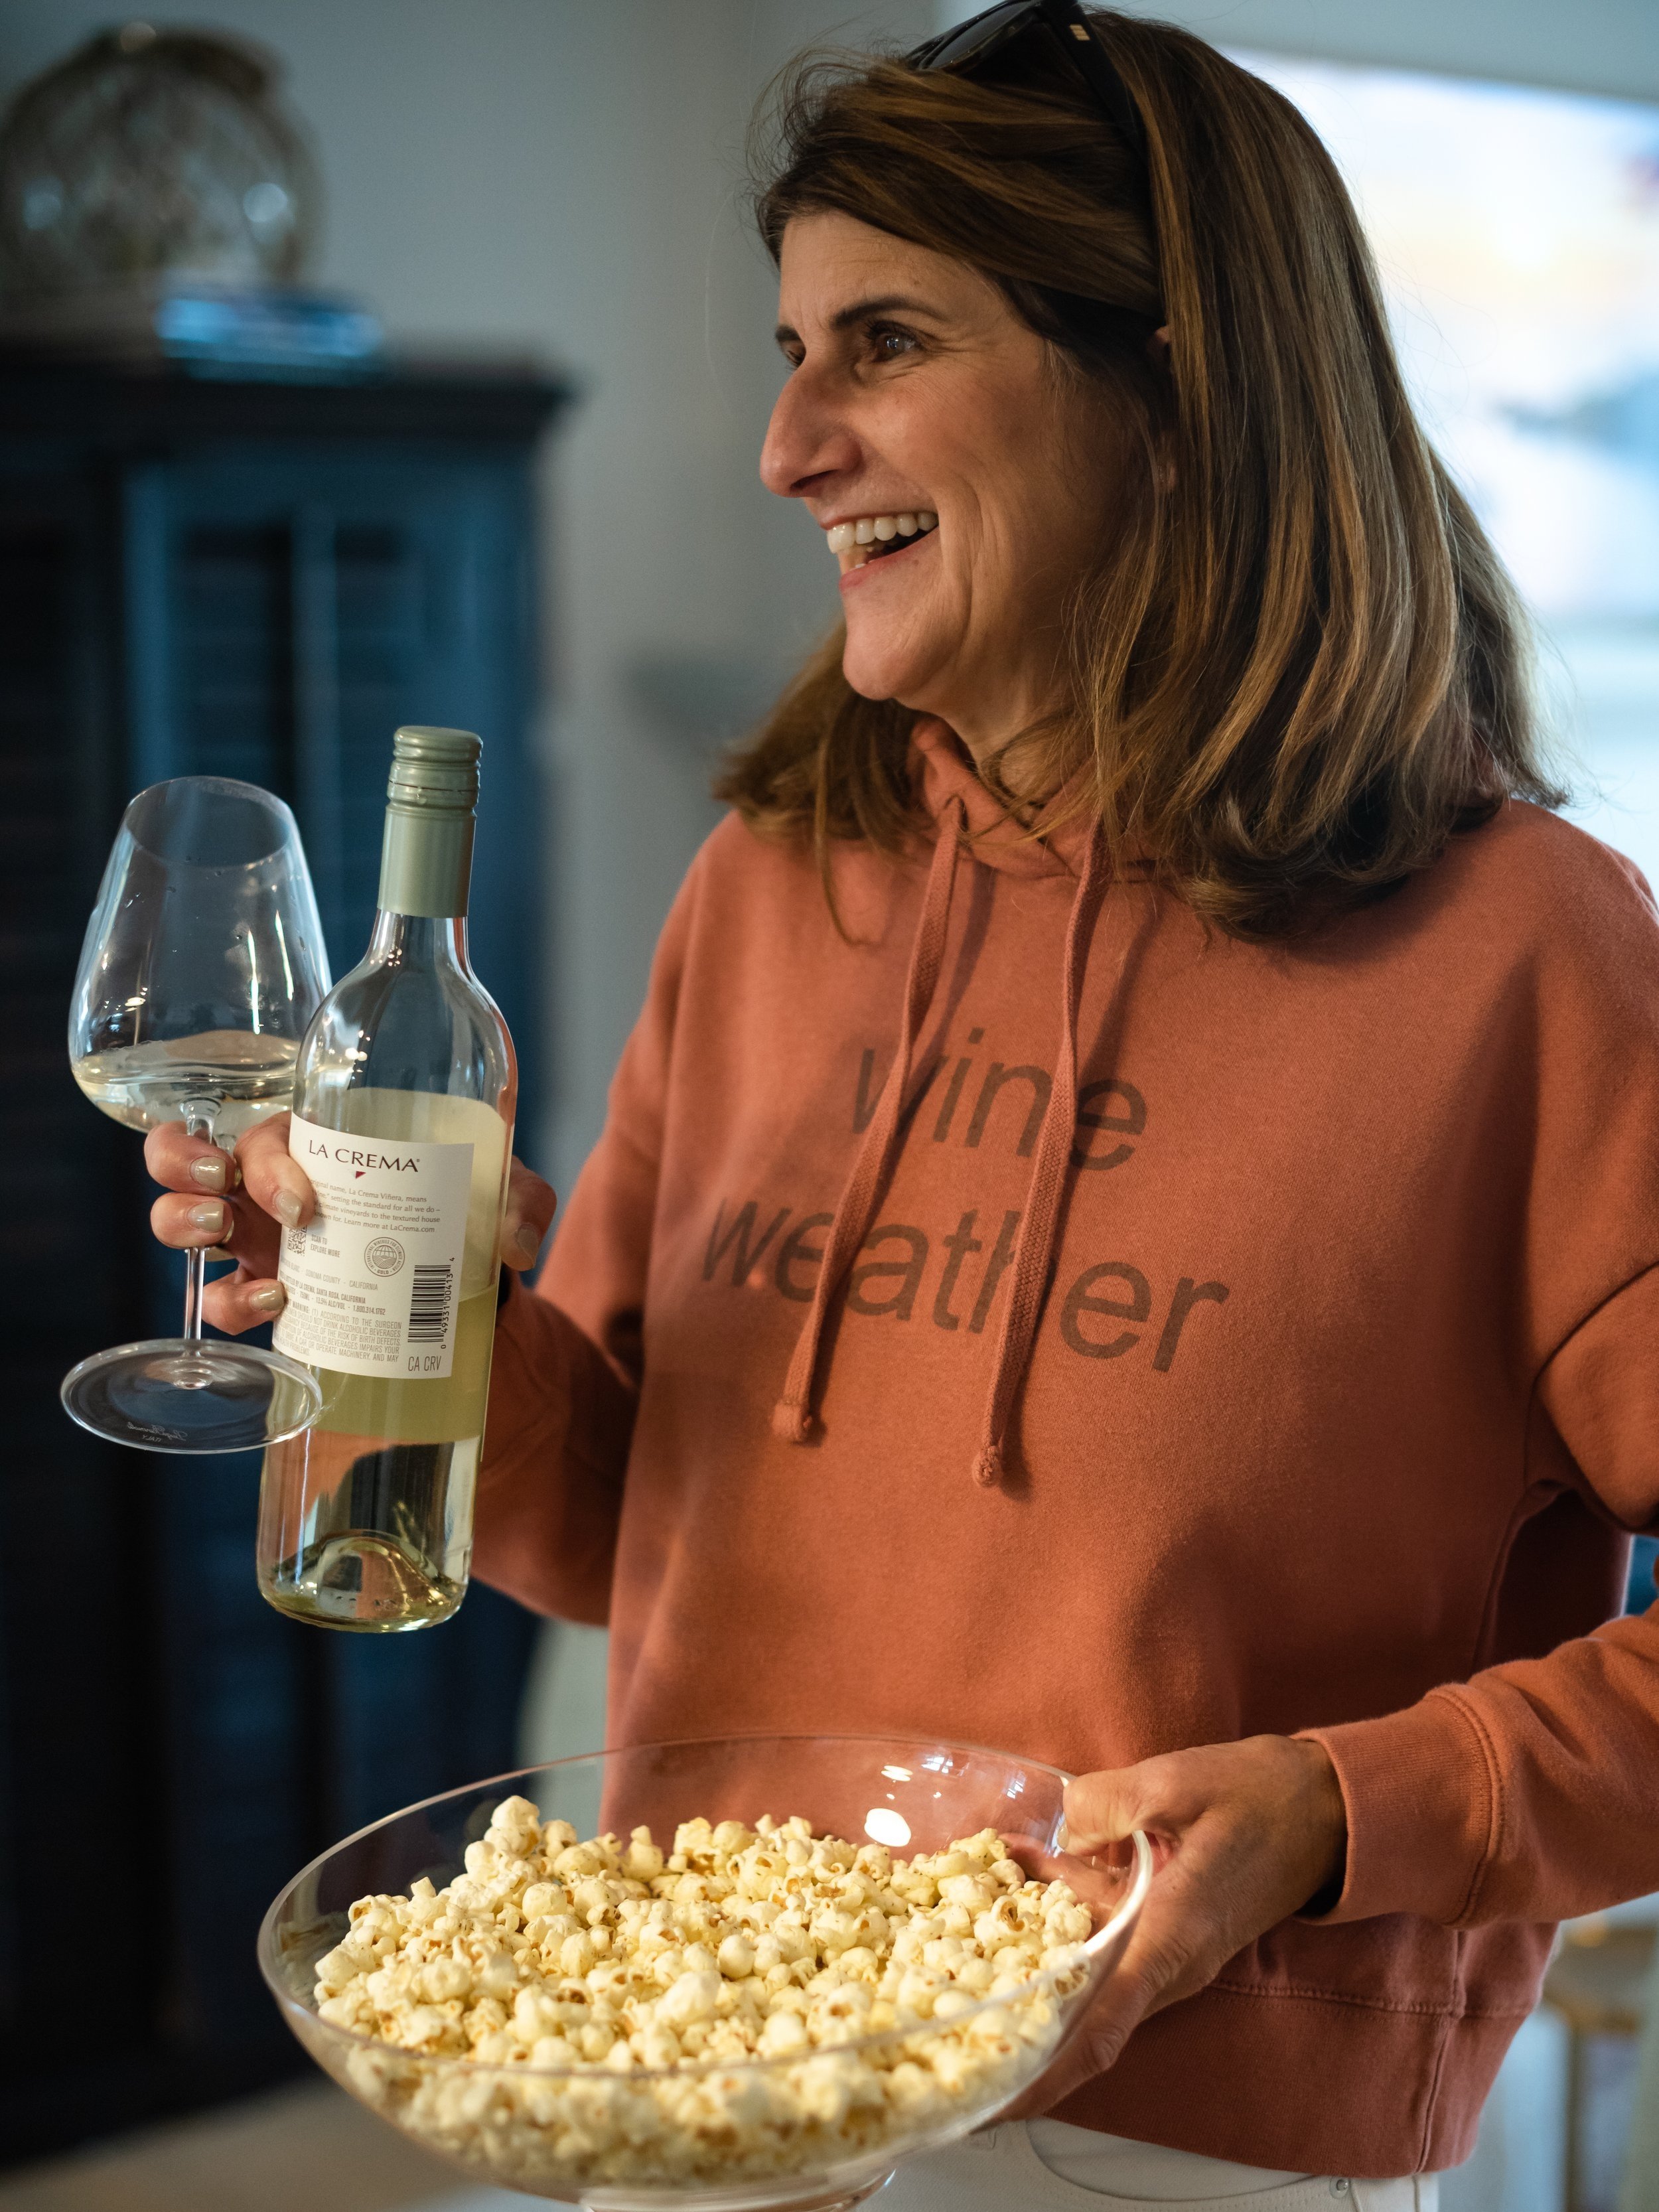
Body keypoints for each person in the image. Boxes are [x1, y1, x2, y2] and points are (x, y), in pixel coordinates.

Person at [143, 4, 1659, 2206]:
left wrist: (1346, 1812)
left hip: (1176, 2141)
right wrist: (410, 1339)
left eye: (881, 343)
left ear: (1175, 388)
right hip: (669, 2048)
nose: (785, 446)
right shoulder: (772, 884)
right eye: (790, 346)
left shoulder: (1526, 954)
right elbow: (616, 1523)